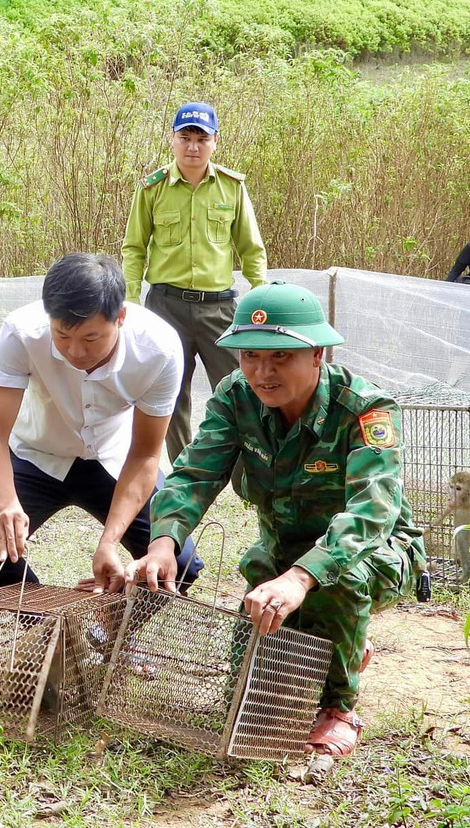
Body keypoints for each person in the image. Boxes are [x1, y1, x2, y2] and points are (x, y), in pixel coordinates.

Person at [128, 282, 426, 759]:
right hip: (280, 552)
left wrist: (302, 578)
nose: (262, 372)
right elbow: (193, 473)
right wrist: (164, 541)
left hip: (374, 552)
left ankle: (338, 708)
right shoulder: (236, 396)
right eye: (249, 355)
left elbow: (372, 512)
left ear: (318, 354)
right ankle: (334, 642)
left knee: (339, 582)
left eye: (280, 357)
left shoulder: (365, 409)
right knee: (254, 701)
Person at [0, 253, 203, 592]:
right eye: (62, 336)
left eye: (90, 339)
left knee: (178, 562)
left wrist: (109, 541)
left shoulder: (158, 349)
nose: (75, 351)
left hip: (114, 459)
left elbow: (145, 455)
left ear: (120, 317)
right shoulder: (21, 332)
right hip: (35, 455)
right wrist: (6, 504)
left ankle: (110, 633)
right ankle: (50, 629)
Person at [121, 102, 267, 468]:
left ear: (215, 142)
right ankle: (185, 471)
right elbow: (134, 248)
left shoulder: (232, 188)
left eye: (201, 139)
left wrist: (261, 292)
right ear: (172, 139)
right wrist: (130, 301)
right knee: (168, 394)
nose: (192, 147)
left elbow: (251, 247)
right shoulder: (153, 188)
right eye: (185, 138)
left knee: (241, 389)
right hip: (165, 307)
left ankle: (248, 468)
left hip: (219, 308)